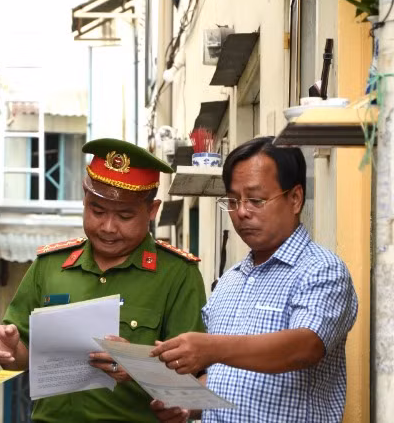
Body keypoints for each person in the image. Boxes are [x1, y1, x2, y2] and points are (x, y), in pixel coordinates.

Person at [0, 139, 207, 422]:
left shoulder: (177, 274)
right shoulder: (50, 267)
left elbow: (195, 377)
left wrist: (137, 365)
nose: (108, 227)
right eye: (97, 211)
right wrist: (11, 350)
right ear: (84, 198)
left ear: (152, 210)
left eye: (125, 215)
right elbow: (23, 357)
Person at [150, 137, 358, 423]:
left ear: (295, 199)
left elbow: (304, 347)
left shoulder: (321, 270)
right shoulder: (230, 281)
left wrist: (212, 348)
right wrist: (187, 403)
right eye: (233, 201)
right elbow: (225, 377)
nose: (242, 212)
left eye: (256, 200)